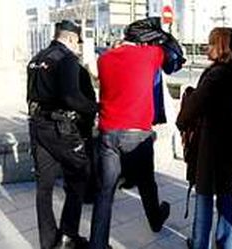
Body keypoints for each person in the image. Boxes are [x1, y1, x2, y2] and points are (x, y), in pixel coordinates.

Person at [89, 17, 185, 249]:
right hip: (137, 134)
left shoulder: (104, 59)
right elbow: (176, 56)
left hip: (108, 133)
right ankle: (155, 220)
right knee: (147, 182)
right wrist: (163, 35)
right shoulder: (150, 55)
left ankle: (97, 244)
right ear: (145, 41)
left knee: (105, 192)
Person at [27, 20, 98, 249]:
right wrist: (97, 108)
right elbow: (71, 98)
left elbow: (31, 95)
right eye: (77, 41)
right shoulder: (66, 58)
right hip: (60, 128)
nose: (77, 46)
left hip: (37, 126)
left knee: (44, 188)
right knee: (79, 177)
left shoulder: (36, 58)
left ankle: (48, 243)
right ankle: (67, 238)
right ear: (69, 38)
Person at [176, 27, 232, 249]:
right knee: (226, 190)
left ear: (221, 47)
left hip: (211, 142)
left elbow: (193, 107)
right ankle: (226, 242)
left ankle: (199, 243)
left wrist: (182, 121)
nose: (207, 47)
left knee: (205, 193)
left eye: (210, 43)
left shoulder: (216, 75)